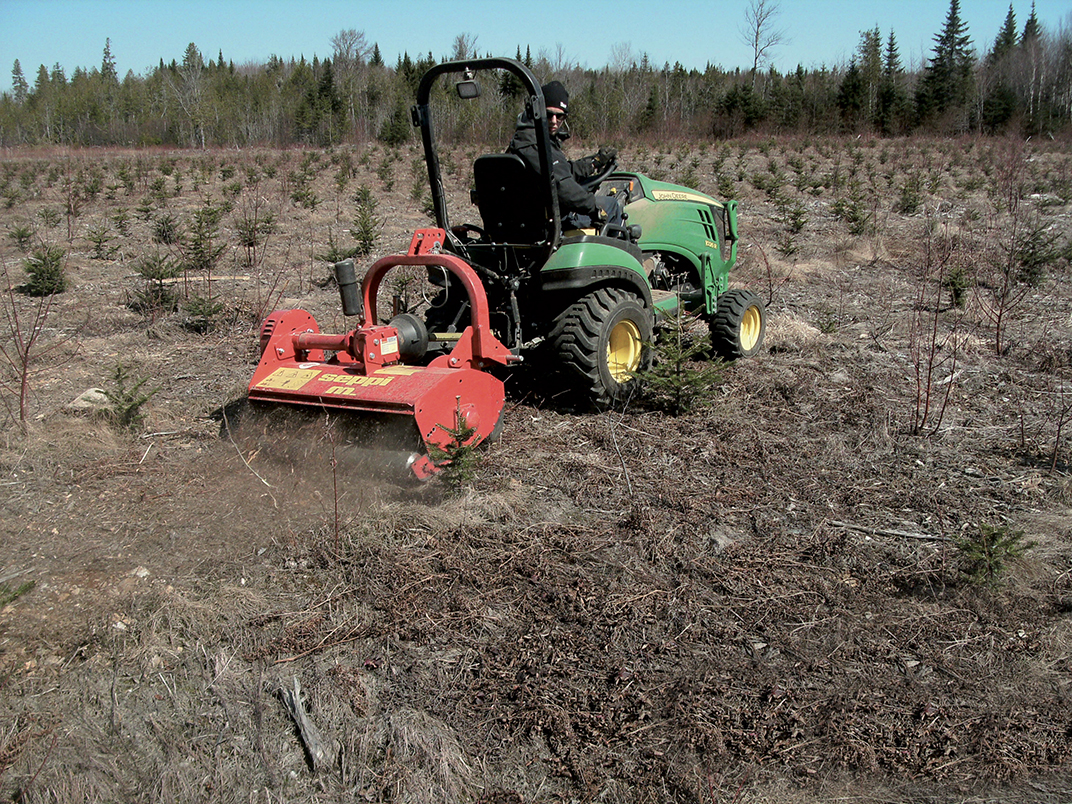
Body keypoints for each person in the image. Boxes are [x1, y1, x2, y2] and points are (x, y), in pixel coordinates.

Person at [507, 80, 623, 230]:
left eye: (560, 116)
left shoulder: (528, 140)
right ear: (536, 111)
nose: (554, 121)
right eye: (548, 114)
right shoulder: (535, 145)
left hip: (532, 219)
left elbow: (561, 171)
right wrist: (593, 208)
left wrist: (593, 163)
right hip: (547, 224)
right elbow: (561, 185)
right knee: (611, 205)